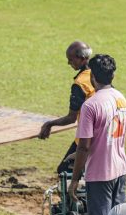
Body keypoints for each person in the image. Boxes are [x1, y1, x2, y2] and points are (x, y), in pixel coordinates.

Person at [68, 54, 126, 215]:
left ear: (92, 76)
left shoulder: (90, 105)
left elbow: (84, 145)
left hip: (100, 174)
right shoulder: (121, 99)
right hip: (120, 169)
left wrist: (74, 179)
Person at [38, 41, 95, 174]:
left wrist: (49, 124)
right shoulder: (98, 74)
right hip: (105, 135)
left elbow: (71, 118)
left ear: (82, 58)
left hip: (86, 138)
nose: (69, 63)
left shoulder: (80, 84)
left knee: (65, 171)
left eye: (71, 60)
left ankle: (75, 193)